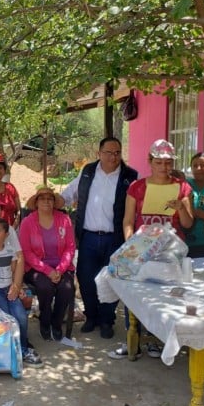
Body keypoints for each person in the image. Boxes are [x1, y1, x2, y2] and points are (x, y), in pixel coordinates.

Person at [114, 139, 193, 359]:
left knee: (166, 296)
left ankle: (157, 341)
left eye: (168, 163)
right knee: (135, 293)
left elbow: (188, 223)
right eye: (159, 162)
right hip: (142, 248)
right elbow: (128, 220)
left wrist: (181, 207)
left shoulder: (182, 187)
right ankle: (133, 340)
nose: (164, 167)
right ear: (150, 162)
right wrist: (130, 245)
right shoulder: (137, 187)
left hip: (170, 251)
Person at [60, 137, 138, 339]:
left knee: (111, 280)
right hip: (89, 237)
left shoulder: (130, 177)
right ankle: (91, 316)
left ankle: (106, 320)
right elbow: (69, 194)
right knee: (86, 279)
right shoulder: (88, 172)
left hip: (115, 238)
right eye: (109, 152)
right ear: (99, 153)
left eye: (117, 152)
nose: (113, 157)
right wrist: (48, 200)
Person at [0, 217, 43, 368]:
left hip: (9, 289)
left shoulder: (10, 250)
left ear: (6, 234)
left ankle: (23, 349)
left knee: (21, 316)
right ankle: (9, 351)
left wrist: (17, 287)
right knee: (7, 318)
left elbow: (14, 270)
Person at [19, 187, 76, 342]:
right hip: (36, 268)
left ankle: (56, 323)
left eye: (49, 198)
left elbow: (70, 247)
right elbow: (26, 252)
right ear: (36, 202)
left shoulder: (64, 220)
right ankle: (45, 321)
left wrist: (59, 270)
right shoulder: (27, 222)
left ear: (54, 202)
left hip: (61, 267)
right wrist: (47, 270)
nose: (46, 201)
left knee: (66, 288)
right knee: (45, 287)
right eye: (42, 199)